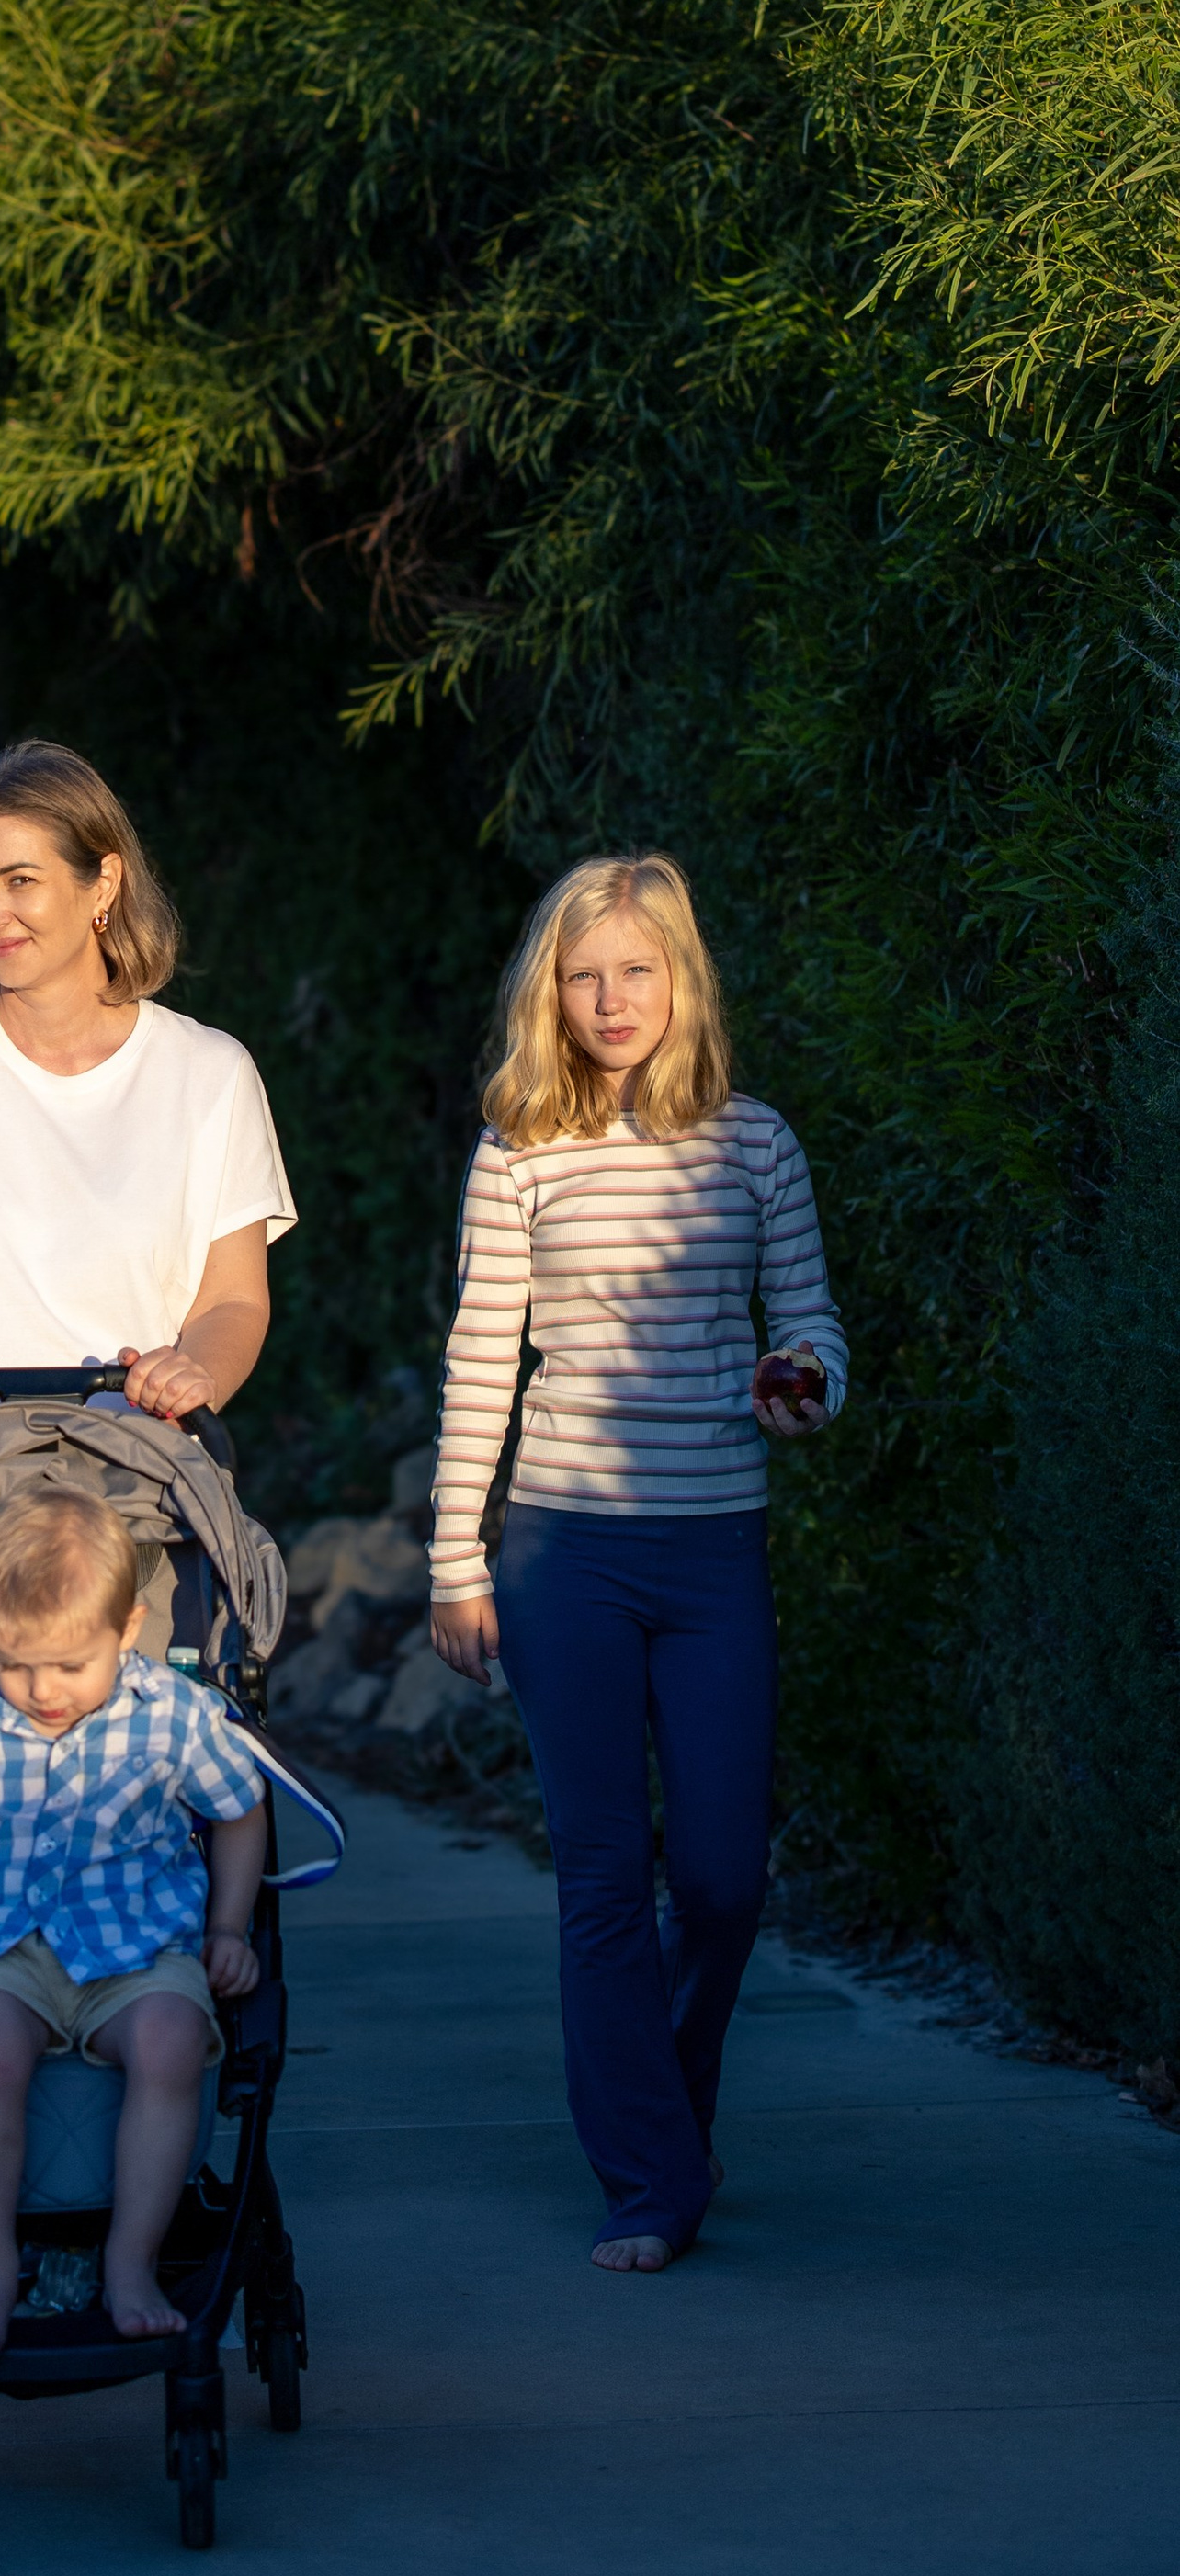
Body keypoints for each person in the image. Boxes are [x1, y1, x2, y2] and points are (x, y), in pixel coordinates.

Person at [425, 853, 846, 2274]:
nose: (611, 999)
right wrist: (455, 1557)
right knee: (603, 1877)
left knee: (722, 1879)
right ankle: (651, 2179)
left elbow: (810, 1325)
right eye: (584, 975)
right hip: (566, 1557)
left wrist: (802, 1381)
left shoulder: (756, 1145)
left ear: (682, 981)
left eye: (637, 971)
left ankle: (666, 2113)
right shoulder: (519, 1149)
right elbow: (483, 1357)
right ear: (551, 992)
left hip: (715, 1548)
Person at [0, 1489, 269, 2361]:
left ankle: (131, 2262)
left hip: (138, 1946)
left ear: (128, 1626)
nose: (43, 1690)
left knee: (173, 2040)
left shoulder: (175, 1716)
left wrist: (228, 1927)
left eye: (70, 1664)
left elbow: (240, 1811)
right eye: (15, 1663)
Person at [0, 739, 294, 1430]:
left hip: (140, 1471)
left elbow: (233, 1301)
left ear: (103, 884)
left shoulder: (212, 1074)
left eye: (20, 880)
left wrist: (196, 1377)